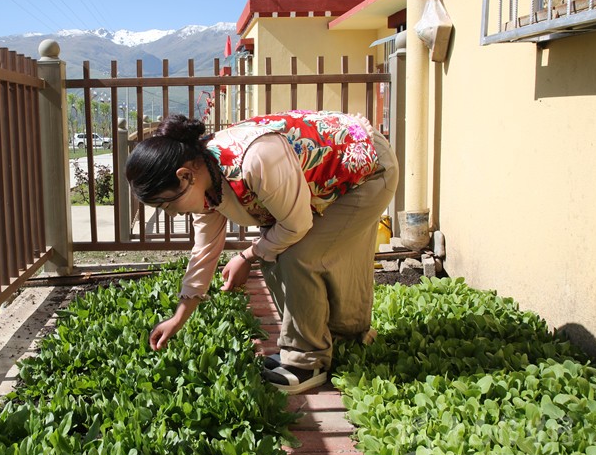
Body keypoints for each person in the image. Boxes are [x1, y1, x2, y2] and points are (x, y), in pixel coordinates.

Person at [125, 110, 399, 394]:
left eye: (166, 204)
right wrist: (178, 318)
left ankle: (307, 361)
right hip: (328, 178)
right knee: (276, 252)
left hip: (369, 167)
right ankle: (335, 341)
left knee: (297, 256)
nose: (170, 214)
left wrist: (247, 256)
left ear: (184, 176)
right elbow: (203, 253)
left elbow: (295, 226)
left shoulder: (255, 160)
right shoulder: (207, 180)